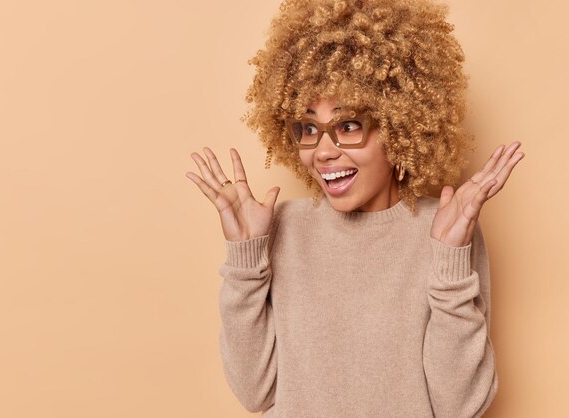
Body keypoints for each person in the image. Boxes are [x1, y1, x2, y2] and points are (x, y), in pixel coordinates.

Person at [186, 0, 524, 416]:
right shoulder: (279, 228)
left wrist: (450, 258)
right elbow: (254, 392)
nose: (323, 151)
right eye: (308, 128)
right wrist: (244, 262)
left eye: (348, 125)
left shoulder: (447, 228)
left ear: (399, 127)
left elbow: (460, 405)